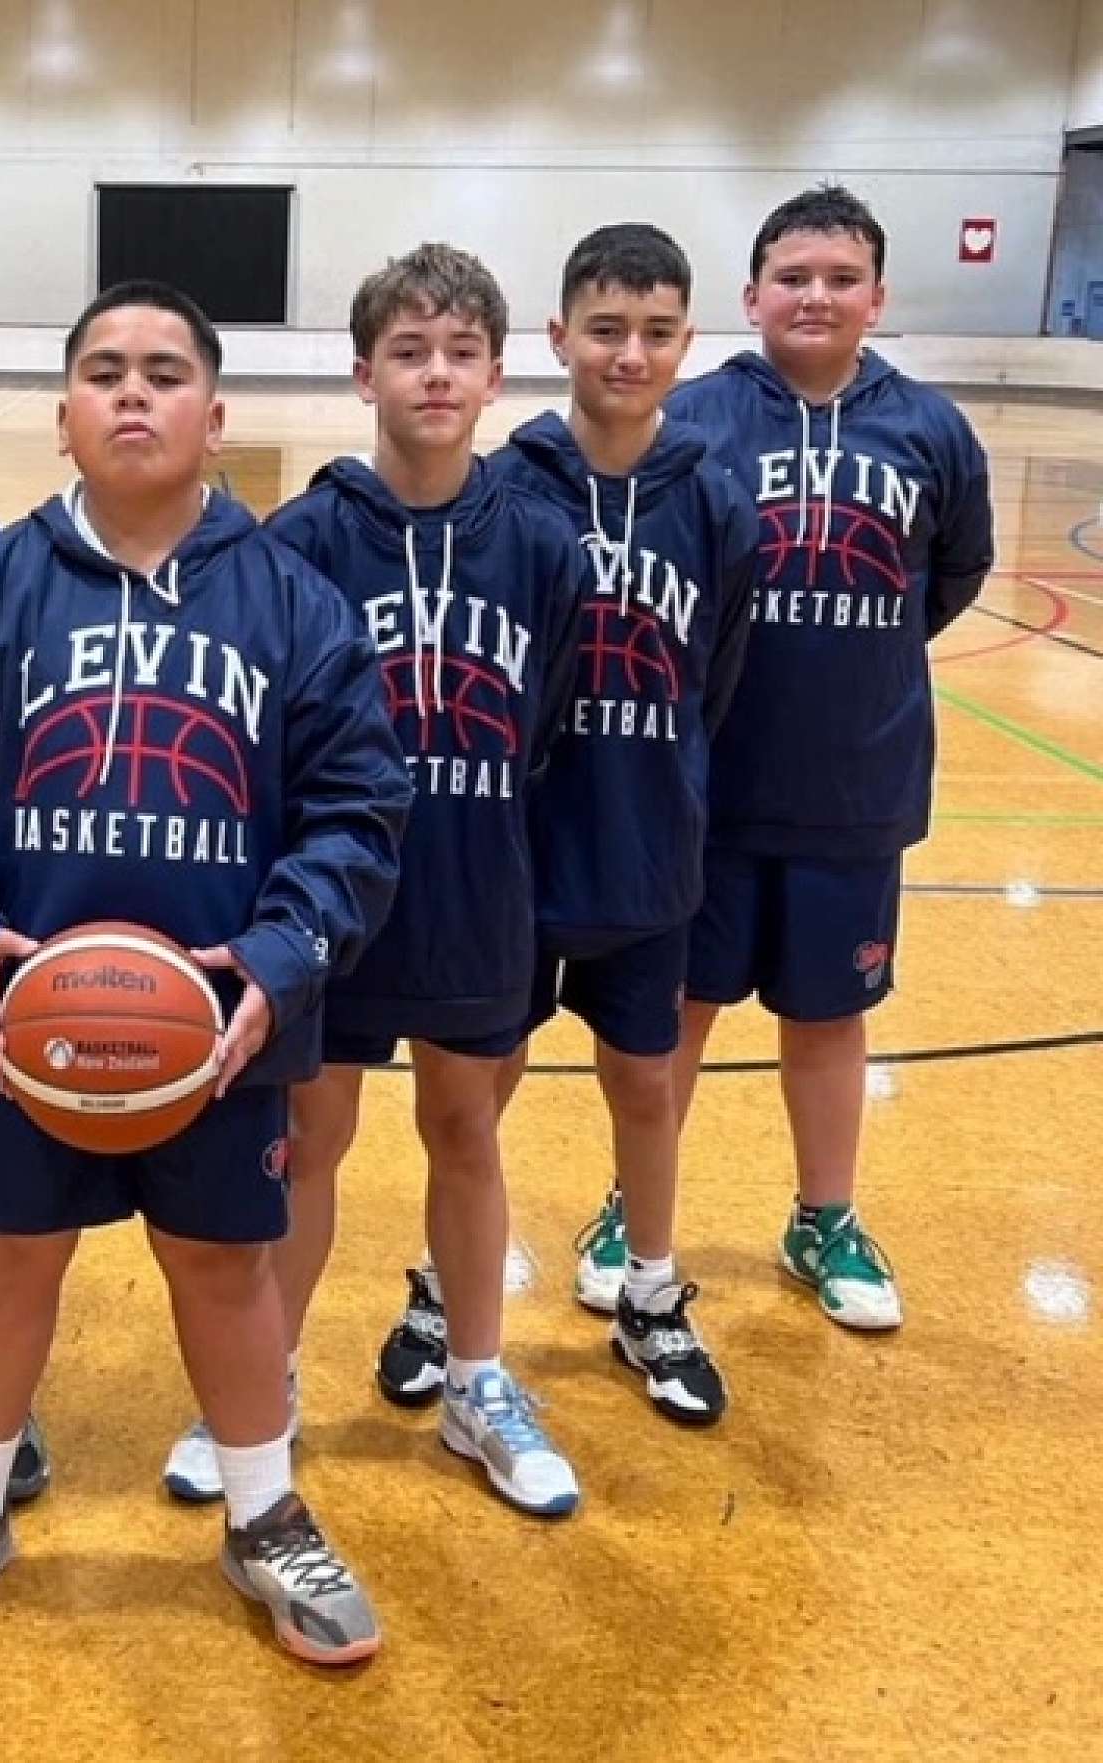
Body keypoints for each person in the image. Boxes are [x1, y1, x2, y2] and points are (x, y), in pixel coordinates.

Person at [0, 280, 408, 1664]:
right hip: (22, 1015)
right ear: (62, 418)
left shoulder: (294, 603)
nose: (133, 393)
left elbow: (358, 809)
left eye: (165, 372)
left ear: (216, 418)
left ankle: (264, 1511)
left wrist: (279, 957)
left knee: (226, 1265)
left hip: (214, 1027)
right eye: (104, 372)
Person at [163, 244, 587, 1518]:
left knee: (465, 1129)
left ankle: (473, 1378)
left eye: (459, 352)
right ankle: (265, 1381)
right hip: (332, 899)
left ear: (497, 375)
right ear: (362, 374)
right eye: (408, 351)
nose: (434, 374)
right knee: (309, 1142)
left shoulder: (543, 545)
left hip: (475, 890)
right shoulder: (302, 540)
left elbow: (550, 717)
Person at [668, 186, 995, 1332]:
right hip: (708, 785)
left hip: (853, 784)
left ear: (876, 297)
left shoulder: (930, 430)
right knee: (679, 1011)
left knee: (826, 1017)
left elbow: (951, 575)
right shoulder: (693, 420)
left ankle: (824, 1215)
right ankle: (634, 1209)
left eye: (839, 278)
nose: (815, 295)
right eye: (792, 277)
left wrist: (856, 652)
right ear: (750, 294)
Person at [479, 221, 755, 1425]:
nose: (627, 354)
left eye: (653, 332)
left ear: (687, 343)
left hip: (645, 840)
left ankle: (648, 1289)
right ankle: (443, 1286)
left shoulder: (714, 502)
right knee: (476, 1084)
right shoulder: (504, 486)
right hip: (514, 845)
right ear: (557, 337)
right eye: (603, 329)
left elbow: (716, 675)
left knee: (644, 1079)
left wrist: (662, 771)